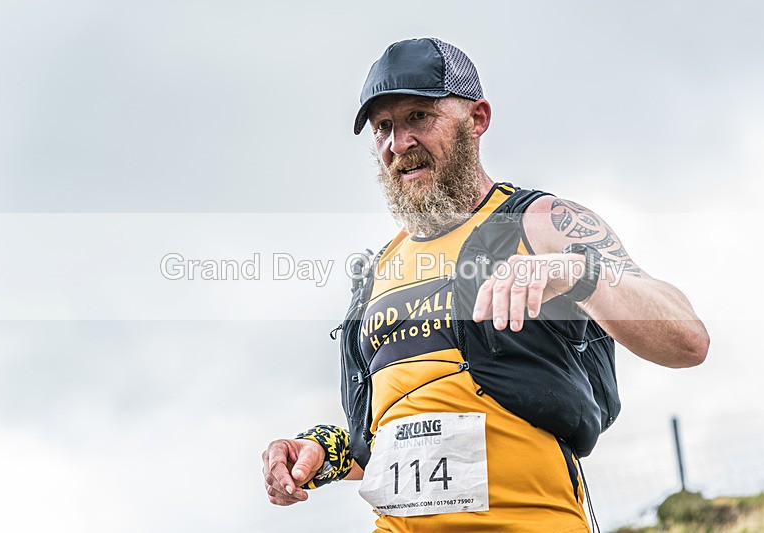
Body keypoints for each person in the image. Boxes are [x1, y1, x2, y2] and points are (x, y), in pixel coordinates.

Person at [262, 38, 709, 532]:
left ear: (477, 119)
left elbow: (688, 339)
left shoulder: (540, 222)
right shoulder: (374, 274)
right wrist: (318, 453)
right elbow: (384, 445)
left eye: (418, 117)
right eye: (383, 127)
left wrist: (572, 271)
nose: (400, 142)